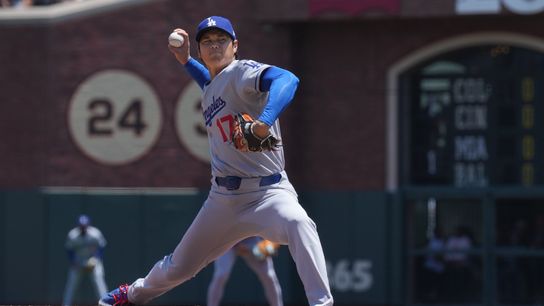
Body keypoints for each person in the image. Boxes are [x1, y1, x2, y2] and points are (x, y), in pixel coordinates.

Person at [99, 15, 333, 306]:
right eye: (207, 42)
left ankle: (322, 303)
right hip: (223, 199)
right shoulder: (214, 84)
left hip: (269, 193)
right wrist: (185, 61)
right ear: (200, 51)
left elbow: (288, 79)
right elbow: (209, 82)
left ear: (235, 46)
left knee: (299, 223)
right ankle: (132, 295)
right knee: (180, 266)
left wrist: (263, 122)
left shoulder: (242, 71)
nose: (214, 46)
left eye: (221, 40)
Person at [207, 237, 283, 306]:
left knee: (269, 275)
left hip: (251, 239)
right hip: (228, 239)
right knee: (221, 275)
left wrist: (271, 244)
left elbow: (271, 227)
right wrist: (237, 245)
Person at [62, 214, 108, 306]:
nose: (83, 228)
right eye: (81, 226)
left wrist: (96, 258)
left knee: (100, 284)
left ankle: (106, 303)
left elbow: (102, 246)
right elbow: (69, 249)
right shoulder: (73, 235)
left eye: (84, 226)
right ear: (78, 226)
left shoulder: (95, 233)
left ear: (88, 225)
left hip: (93, 262)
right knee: (71, 286)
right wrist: (73, 261)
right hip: (78, 262)